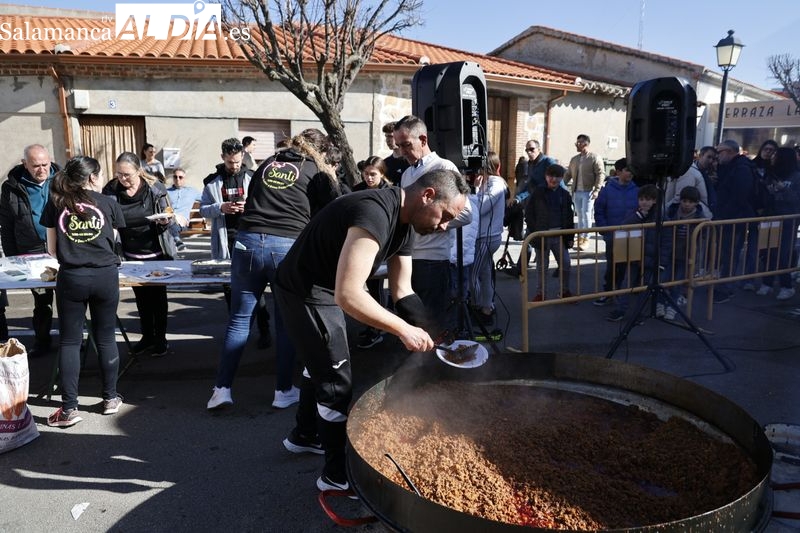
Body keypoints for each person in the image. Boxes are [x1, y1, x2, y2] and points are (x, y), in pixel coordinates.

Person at [275, 168, 469, 493]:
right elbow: (349, 294)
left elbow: (403, 290)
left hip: (323, 287)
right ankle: (336, 476)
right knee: (336, 381)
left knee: (319, 361)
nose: (445, 226)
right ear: (428, 195)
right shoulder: (375, 211)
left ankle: (304, 435)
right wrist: (402, 330)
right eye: (446, 216)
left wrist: (433, 332)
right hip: (304, 290)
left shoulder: (406, 224)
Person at [206, 129, 342, 411]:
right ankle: (282, 391)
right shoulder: (314, 169)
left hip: (247, 242)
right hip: (287, 246)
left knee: (239, 319)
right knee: (286, 320)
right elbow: (330, 212)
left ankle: (221, 389)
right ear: (320, 150)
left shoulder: (268, 162)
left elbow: (252, 198)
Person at [41, 156, 126, 427]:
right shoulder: (109, 203)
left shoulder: (56, 203)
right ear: (92, 178)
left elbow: (51, 250)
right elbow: (113, 243)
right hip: (105, 276)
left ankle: (68, 409)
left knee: (69, 341)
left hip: (72, 278)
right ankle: (110, 398)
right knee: (105, 336)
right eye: (99, 176)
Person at [394, 115, 472, 335]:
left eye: (407, 145)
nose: (402, 151)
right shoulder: (408, 173)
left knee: (432, 324)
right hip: (409, 257)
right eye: (399, 146)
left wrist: (437, 225)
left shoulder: (444, 166)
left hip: (433, 259)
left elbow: (467, 212)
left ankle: (434, 367)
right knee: (413, 321)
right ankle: (416, 368)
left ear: (423, 139)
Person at [199, 138, 271, 350]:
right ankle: (238, 332)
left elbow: (265, 205)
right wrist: (221, 208)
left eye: (238, 162)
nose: (235, 166)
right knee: (230, 287)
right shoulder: (211, 181)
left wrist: (246, 207)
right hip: (225, 240)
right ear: (223, 157)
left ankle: (265, 330)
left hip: (251, 238)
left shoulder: (252, 177)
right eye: (231, 162)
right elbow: (204, 209)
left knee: (255, 285)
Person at [103, 152, 177, 356]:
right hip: (129, 253)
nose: (122, 179)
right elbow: (106, 218)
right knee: (142, 298)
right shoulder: (111, 190)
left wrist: (165, 220)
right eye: (119, 174)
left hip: (156, 251)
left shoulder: (155, 188)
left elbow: (169, 214)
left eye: (127, 174)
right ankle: (147, 337)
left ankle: (160, 339)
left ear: (139, 171)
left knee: (158, 299)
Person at [0, 144, 61, 357]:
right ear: (24, 164)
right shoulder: (11, 187)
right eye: (35, 165)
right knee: (42, 301)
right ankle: (42, 341)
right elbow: (7, 225)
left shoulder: (62, 181)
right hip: (31, 251)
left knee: (67, 298)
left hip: (61, 249)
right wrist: (11, 258)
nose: (42, 169)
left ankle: (72, 341)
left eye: (45, 164)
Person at [713, 139, 760, 303]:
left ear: (731, 151)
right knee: (727, 253)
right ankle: (724, 286)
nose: (717, 156)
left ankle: (726, 289)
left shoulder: (741, 169)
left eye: (720, 152)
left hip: (733, 220)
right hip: (730, 218)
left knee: (730, 254)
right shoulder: (733, 167)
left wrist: (724, 215)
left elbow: (739, 196)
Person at [353, 156, 393, 349]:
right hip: (362, 244)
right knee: (364, 289)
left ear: (382, 174)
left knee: (377, 290)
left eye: (373, 174)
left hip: (383, 248)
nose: (368, 178)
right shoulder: (358, 190)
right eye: (366, 174)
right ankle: (374, 325)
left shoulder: (389, 192)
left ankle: (378, 328)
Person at [607, 185, 659, 322]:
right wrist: (638, 216)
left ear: (654, 200)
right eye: (641, 199)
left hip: (650, 257)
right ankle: (621, 309)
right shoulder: (635, 213)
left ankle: (640, 313)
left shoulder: (660, 216)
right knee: (627, 283)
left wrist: (662, 261)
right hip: (634, 255)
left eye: (648, 199)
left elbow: (666, 239)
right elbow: (624, 225)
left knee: (645, 287)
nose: (644, 202)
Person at [755, 146, 800, 300]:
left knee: (783, 254)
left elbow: (797, 199)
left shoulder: (797, 177)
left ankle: (786, 285)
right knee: (768, 251)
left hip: (788, 220)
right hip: (771, 217)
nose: (773, 157)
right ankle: (767, 283)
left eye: (776, 155)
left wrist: (784, 190)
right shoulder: (770, 174)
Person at [592, 158, 639, 307]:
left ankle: (623, 296)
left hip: (632, 235)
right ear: (618, 172)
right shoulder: (607, 190)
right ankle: (608, 292)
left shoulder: (637, 190)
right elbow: (599, 210)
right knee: (613, 266)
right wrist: (606, 231)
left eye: (631, 170)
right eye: (627, 170)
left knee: (629, 267)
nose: (630, 173)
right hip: (613, 234)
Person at [661, 186, 712, 320]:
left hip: (686, 255)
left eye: (691, 202)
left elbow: (704, 235)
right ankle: (660, 304)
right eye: (684, 201)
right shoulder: (672, 211)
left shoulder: (699, 217)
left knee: (678, 282)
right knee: (663, 280)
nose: (687, 204)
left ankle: (672, 308)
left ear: (696, 203)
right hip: (670, 253)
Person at [527, 164, 575, 301]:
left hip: (560, 236)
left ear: (561, 178)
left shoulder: (565, 194)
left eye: (557, 176)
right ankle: (541, 293)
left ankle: (564, 291)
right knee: (542, 267)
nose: (553, 179)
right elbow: (529, 213)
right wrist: (535, 231)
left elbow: (569, 216)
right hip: (542, 236)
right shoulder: (538, 192)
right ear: (546, 176)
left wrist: (570, 236)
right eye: (550, 176)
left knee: (565, 264)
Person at [509, 140, 557, 275]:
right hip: (535, 206)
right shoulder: (529, 165)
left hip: (549, 206)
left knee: (554, 242)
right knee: (530, 237)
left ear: (539, 149)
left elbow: (559, 180)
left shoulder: (548, 162)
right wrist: (518, 198)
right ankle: (520, 268)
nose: (529, 152)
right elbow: (530, 185)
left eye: (532, 149)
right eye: (527, 150)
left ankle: (562, 267)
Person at [470, 152, 507, 323]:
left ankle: (477, 307)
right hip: (484, 236)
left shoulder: (496, 183)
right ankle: (487, 306)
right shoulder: (488, 182)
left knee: (473, 274)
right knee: (484, 273)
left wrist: (475, 190)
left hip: (487, 237)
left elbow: (481, 207)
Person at [564, 134, 605, 250]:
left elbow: (600, 174)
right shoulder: (574, 159)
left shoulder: (594, 157)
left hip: (589, 191)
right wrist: (561, 185)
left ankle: (586, 238)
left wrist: (597, 190)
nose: (577, 145)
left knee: (586, 214)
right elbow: (568, 174)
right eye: (576, 143)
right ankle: (580, 237)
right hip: (577, 191)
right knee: (580, 215)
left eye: (579, 143)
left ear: (586, 144)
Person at [166, 168, 200, 251]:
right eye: (175, 177)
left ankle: (177, 240)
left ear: (184, 179)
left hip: (183, 222)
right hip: (168, 218)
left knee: (171, 224)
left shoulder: (192, 192)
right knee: (169, 221)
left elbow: (207, 199)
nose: (177, 179)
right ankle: (177, 240)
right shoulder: (166, 192)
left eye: (180, 177)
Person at [381, 121, 409, 185]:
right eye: (386, 136)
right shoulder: (385, 163)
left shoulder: (411, 161)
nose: (387, 140)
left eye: (391, 136)